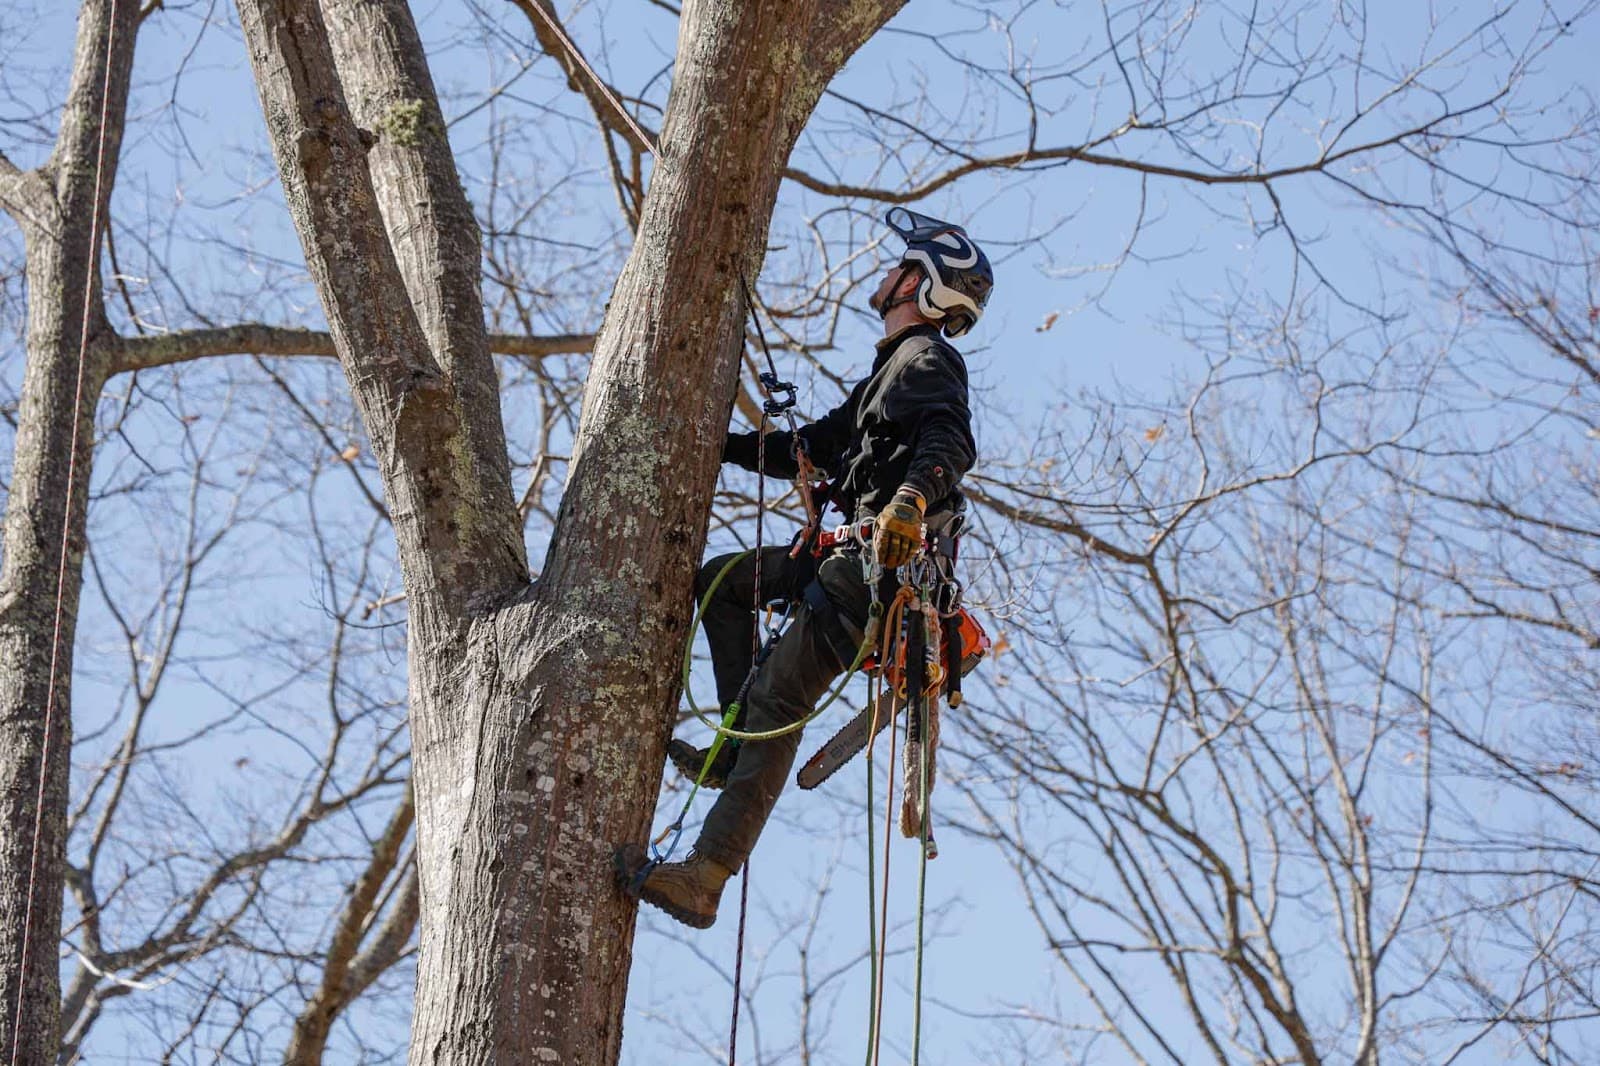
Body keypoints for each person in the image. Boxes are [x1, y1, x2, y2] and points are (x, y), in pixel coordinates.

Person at [614, 209, 993, 929]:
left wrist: (909, 503)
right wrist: (714, 444)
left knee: (780, 704)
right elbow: (810, 448)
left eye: (902, 266)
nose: (888, 273)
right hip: (841, 560)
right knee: (723, 584)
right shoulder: (886, 376)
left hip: (876, 575)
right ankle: (730, 755)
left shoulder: (928, 362)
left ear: (923, 284)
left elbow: (950, 439)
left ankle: (707, 874)